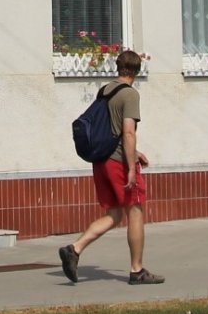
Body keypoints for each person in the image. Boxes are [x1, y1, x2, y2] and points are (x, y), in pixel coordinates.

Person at [59, 49, 162, 284]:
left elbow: (110, 130)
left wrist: (136, 153)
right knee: (135, 211)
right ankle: (137, 271)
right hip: (118, 163)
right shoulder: (129, 94)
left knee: (114, 214)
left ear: (118, 67)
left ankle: (74, 249)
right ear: (137, 71)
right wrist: (131, 167)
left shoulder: (105, 91)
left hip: (101, 161)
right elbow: (127, 132)